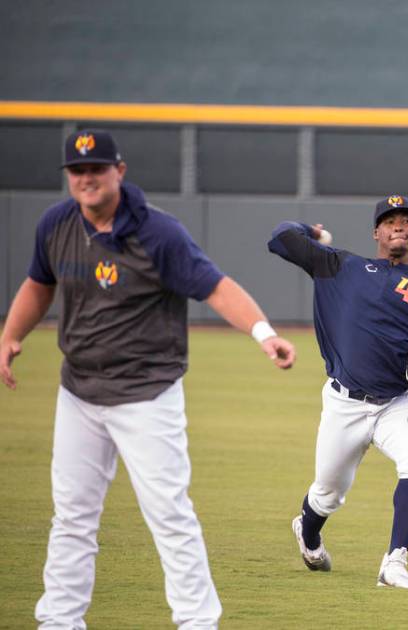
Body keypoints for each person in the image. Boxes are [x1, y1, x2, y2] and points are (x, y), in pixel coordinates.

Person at [0, 129, 296, 629]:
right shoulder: (56, 224)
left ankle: (197, 622)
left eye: (96, 168)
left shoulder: (160, 233)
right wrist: (11, 335)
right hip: (79, 391)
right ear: (69, 178)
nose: (87, 178)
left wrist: (264, 333)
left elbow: (215, 286)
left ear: (120, 170)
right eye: (77, 170)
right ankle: (59, 621)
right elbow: (39, 283)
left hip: (146, 395)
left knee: (168, 514)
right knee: (71, 517)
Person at [268, 194, 408, 589]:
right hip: (344, 402)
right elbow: (279, 237)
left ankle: (393, 563)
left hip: (399, 403)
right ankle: (308, 533)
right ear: (376, 232)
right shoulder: (340, 266)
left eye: (406, 220)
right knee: (327, 494)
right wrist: (312, 232)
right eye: (390, 220)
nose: (399, 226)